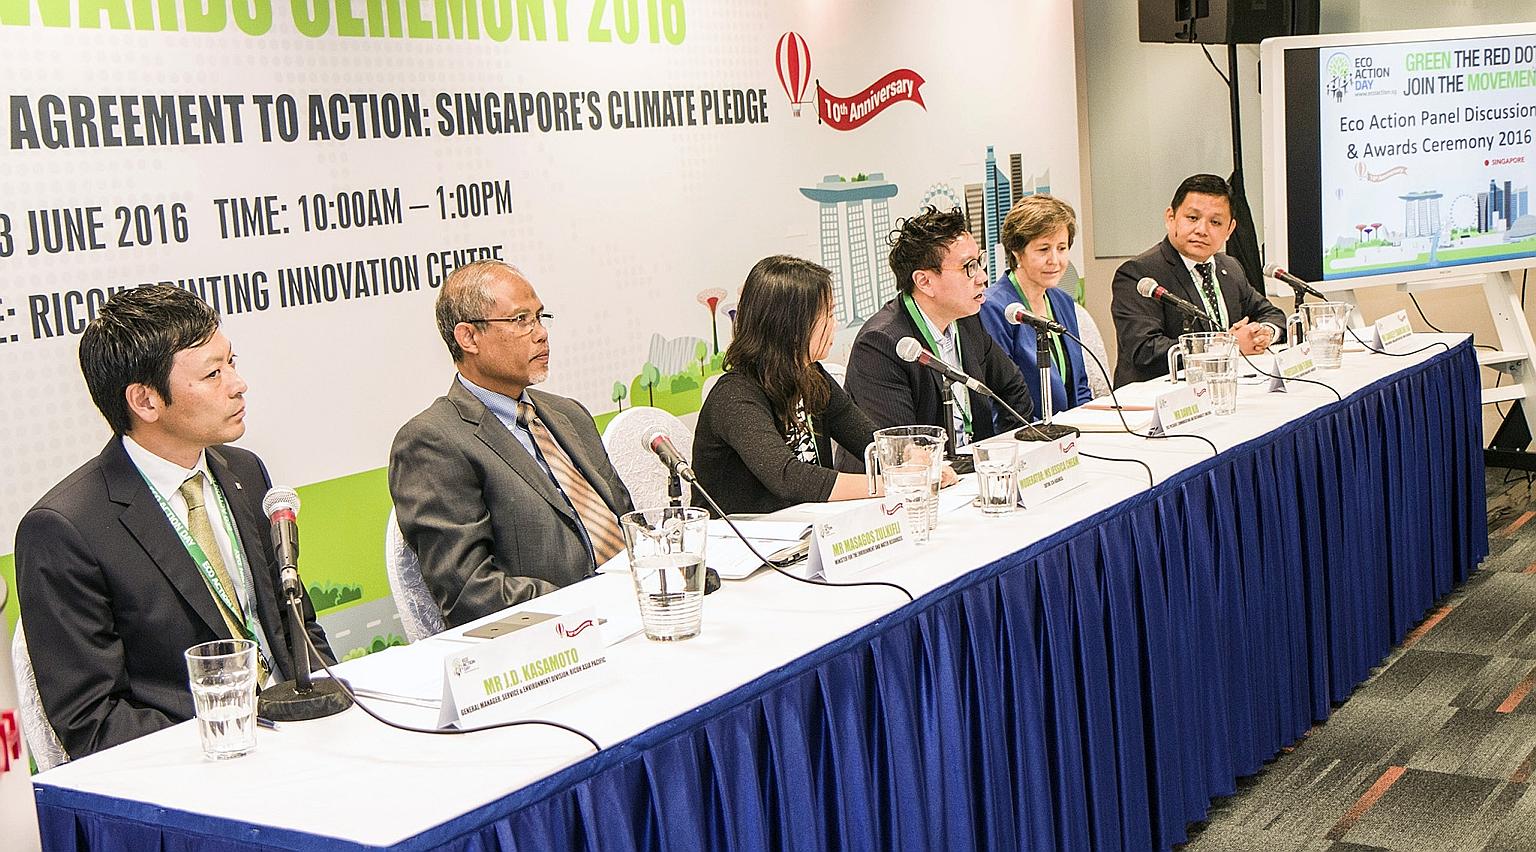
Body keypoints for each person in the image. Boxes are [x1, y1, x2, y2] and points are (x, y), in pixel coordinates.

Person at [14, 285, 334, 761]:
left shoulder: (244, 471)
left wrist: (333, 708)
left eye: (232, 361)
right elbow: (93, 723)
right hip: (197, 771)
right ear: (145, 401)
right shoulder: (66, 529)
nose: (238, 383)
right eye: (212, 374)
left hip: (304, 742)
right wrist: (241, 744)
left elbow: (296, 624)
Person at [390, 260, 633, 627]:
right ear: (468, 337)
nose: (541, 334)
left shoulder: (569, 414)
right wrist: (592, 606)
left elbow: (626, 522)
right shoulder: (432, 442)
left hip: (637, 611)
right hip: (562, 641)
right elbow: (470, 592)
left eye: (539, 317)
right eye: (521, 320)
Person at [692, 256, 881, 516]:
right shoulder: (734, 396)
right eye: (828, 314)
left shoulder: (812, 375)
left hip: (804, 530)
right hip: (741, 543)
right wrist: (889, 484)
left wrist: (911, 458)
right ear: (790, 325)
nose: (834, 324)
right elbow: (787, 477)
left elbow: (871, 442)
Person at [845, 206, 1034, 447]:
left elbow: (1013, 388)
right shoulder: (880, 345)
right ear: (924, 281)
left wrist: (1001, 454)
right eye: (969, 268)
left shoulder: (967, 320)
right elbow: (901, 450)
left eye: (980, 262)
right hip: (912, 480)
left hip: (971, 472)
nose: (983, 277)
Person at [1111, 173, 1287, 386]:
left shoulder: (1230, 267)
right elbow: (1146, 351)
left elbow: (1272, 314)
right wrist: (1225, 347)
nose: (1202, 230)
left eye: (1215, 222)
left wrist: (1264, 333)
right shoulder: (1138, 274)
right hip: (1159, 403)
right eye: (1192, 218)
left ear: (1230, 229)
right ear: (1170, 218)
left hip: (1224, 391)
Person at [979, 195, 1096, 415]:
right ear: (1017, 252)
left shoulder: (1062, 301)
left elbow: (1079, 385)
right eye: (1043, 249)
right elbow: (1000, 401)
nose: (1055, 260)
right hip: (1025, 436)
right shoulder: (994, 308)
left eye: (1061, 248)